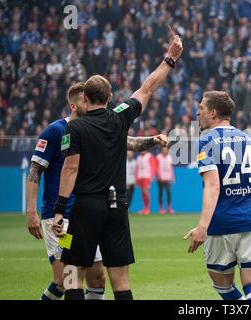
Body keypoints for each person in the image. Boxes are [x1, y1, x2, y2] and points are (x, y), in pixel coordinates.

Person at [51, 28, 182, 300]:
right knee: (120, 279)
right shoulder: (119, 117)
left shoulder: (74, 130)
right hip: (116, 207)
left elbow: (70, 169)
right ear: (110, 97)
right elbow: (147, 88)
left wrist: (60, 210)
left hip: (85, 208)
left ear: (84, 99)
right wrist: (170, 58)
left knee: (72, 272)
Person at [27, 83, 168, 300]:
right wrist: (31, 212)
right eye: (84, 101)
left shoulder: (95, 126)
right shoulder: (55, 131)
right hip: (61, 219)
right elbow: (35, 171)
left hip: (87, 216)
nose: (89, 103)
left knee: (98, 278)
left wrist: (152, 140)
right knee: (65, 279)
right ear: (75, 105)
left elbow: (128, 142)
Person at [184, 91, 251, 300]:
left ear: (213, 113)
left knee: (223, 286)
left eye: (201, 108)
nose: (197, 112)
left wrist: (202, 226)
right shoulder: (249, 139)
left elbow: (213, 185)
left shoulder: (206, 140)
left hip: (221, 225)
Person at [135, 150, 156, 215]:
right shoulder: (138, 158)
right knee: (143, 193)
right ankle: (144, 208)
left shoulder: (150, 156)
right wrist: (136, 178)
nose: (142, 151)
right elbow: (137, 168)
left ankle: (147, 208)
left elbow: (153, 167)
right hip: (140, 177)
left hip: (147, 177)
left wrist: (151, 177)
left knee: (146, 192)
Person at [156, 145, 174, 214]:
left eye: (166, 150)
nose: (165, 151)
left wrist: (172, 177)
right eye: (164, 150)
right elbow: (156, 168)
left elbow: (171, 168)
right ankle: (161, 209)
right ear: (161, 150)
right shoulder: (158, 157)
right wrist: (159, 177)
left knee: (169, 193)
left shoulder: (170, 157)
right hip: (160, 179)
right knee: (161, 193)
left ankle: (169, 208)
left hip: (168, 178)